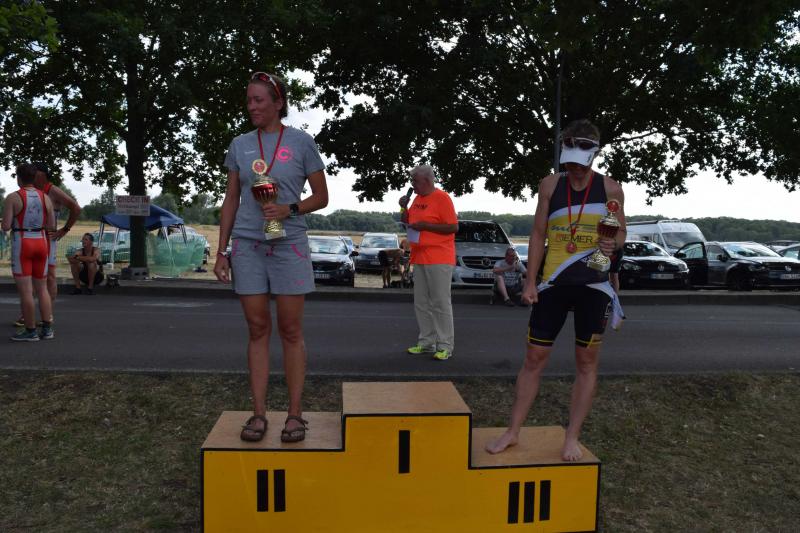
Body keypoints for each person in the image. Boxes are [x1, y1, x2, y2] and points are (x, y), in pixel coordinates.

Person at [486, 119, 626, 461]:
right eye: (569, 161)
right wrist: (530, 281)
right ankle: (513, 432)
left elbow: (622, 232)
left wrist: (613, 244)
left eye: (581, 163)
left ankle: (571, 437)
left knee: (586, 361)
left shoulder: (611, 188)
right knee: (534, 357)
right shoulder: (549, 184)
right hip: (553, 282)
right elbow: (538, 233)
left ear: (594, 155)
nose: (574, 169)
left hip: (594, 284)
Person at [214, 71, 328, 443]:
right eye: (249, 100)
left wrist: (288, 209)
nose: (252, 106)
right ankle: (259, 413)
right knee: (257, 328)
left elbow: (321, 197)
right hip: (248, 245)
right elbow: (231, 199)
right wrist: (222, 250)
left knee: (290, 330)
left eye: (259, 100)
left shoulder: (301, 142)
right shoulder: (240, 144)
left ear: (278, 103)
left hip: (288, 243)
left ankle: (295, 415)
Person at [399, 164, 459, 361]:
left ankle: (445, 345)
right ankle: (426, 342)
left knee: (440, 302)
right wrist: (403, 207)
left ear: (426, 180)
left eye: (415, 181)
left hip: (439, 257)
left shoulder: (442, 198)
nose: (412, 184)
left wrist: (426, 226)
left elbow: (453, 227)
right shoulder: (416, 199)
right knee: (421, 303)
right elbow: (407, 222)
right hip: (420, 256)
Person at [2, 163, 56, 341]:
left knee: (26, 291)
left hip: (22, 243)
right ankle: (47, 329)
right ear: (34, 178)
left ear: (19, 178)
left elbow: (6, 226)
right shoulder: (45, 197)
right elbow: (51, 225)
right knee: (42, 289)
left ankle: (31, 331)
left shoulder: (13, 197)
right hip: (41, 242)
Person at [34, 163, 81, 309]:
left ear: (42, 174)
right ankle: (28, 312)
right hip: (32, 237)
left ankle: (47, 313)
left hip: (48, 238)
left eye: (34, 171)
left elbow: (76, 208)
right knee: (31, 276)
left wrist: (65, 229)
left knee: (50, 276)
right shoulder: (31, 189)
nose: (31, 174)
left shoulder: (52, 190)